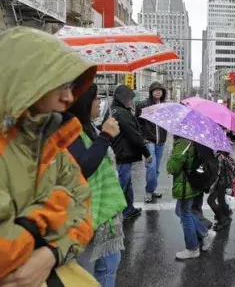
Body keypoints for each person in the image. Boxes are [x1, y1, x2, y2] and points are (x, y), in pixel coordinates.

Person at [0, 27, 95, 286]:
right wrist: (55, 210)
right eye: (60, 84)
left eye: (71, 86)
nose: (69, 97)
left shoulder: (46, 140)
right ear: (26, 80)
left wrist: (49, 254)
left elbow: (84, 204)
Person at [68, 84, 126, 287]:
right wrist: (106, 136)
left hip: (106, 214)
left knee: (109, 266)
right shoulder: (70, 131)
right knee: (87, 274)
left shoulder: (89, 127)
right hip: (87, 216)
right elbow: (82, 168)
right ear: (83, 102)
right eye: (96, 98)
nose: (100, 102)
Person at [167, 136, 217, 259]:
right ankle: (205, 234)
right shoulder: (198, 139)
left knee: (184, 213)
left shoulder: (183, 142)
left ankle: (193, 248)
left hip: (186, 185)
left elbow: (172, 167)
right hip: (195, 182)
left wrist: (170, 157)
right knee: (181, 211)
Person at [110, 85, 152, 220]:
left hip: (124, 153)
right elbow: (133, 134)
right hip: (123, 153)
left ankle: (129, 209)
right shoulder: (121, 113)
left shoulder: (120, 110)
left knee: (127, 183)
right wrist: (147, 153)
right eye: (129, 99)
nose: (131, 101)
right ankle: (113, 213)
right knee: (122, 184)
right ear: (122, 99)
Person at [135, 82, 168, 203]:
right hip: (149, 141)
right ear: (151, 92)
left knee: (156, 168)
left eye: (160, 90)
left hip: (161, 142)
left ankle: (153, 189)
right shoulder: (144, 105)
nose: (158, 92)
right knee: (151, 166)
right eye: (155, 90)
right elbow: (137, 122)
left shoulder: (165, 106)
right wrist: (142, 137)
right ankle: (149, 191)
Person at [209, 150, 235, 230]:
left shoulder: (220, 158)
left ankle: (223, 220)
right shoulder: (227, 157)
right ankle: (226, 213)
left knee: (211, 201)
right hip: (225, 183)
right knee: (221, 200)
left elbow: (216, 172)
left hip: (221, 183)